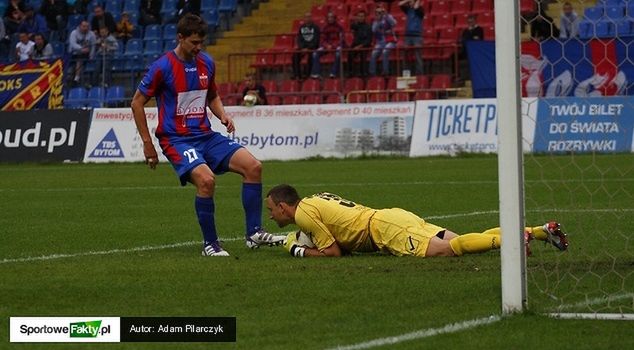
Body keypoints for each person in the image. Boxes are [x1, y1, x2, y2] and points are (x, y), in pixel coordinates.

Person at [130, 14, 285, 257]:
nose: (198, 47)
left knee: (253, 166)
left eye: (201, 42)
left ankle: (254, 233)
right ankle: (210, 245)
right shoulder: (162, 67)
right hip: (176, 139)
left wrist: (222, 115)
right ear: (180, 38)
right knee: (206, 180)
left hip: (205, 135)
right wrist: (148, 144)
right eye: (193, 43)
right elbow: (137, 103)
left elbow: (211, 95)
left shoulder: (206, 63)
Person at [266, 184, 569, 258]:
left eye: (271, 210)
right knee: (459, 239)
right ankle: (540, 231)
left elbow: (333, 253)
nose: (270, 215)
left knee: (451, 251)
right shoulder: (315, 199)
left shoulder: (304, 215)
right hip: (391, 216)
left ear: (283, 207)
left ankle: (513, 240)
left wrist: (297, 250)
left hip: (385, 230)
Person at [311, 11, 345, 78]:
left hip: (336, 46)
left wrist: (333, 46)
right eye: (329, 17)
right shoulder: (325, 27)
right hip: (326, 46)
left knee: (338, 54)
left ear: (334, 18)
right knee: (315, 53)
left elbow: (341, 39)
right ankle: (317, 73)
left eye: (332, 17)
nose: (330, 19)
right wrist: (327, 46)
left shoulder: (339, 27)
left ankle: (333, 73)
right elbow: (323, 39)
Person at [369, 5, 397, 76]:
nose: (379, 13)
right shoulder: (375, 21)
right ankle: (373, 74)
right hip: (380, 42)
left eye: (380, 12)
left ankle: (385, 72)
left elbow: (394, 23)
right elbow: (373, 30)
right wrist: (378, 21)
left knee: (385, 51)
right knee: (373, 54)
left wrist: (386, 14)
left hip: (390, 41)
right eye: (377, 12)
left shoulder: (388, 17)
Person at [291, 12, 320, 80]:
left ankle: (307, 75)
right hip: (303, 48)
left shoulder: (316, 27)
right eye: (306, 17)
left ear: (311, 18)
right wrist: (302, 48)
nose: (308, 19)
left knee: (311, 56)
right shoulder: (301, 28)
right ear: (304, 19)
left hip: (312, 48)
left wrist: (308, 48)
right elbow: (299, 39)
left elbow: (316, 40)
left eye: (309, 17)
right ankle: (297, 75)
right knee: (295, 55)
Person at [399, 0, 424, 75]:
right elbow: (400, 4)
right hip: (408, 35)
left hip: (417, 36)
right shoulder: (408, 10)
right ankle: (406, 73)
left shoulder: (420, 11)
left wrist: (416, 2)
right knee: (405, 55)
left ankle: (419, 74)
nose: (410, 3)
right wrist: (408, 0)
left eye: (411, 1)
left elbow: (416, 8)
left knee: (418, 55)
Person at [67, 20, 96, 86]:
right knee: (76, 60)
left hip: (85, 55)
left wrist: (91, 56)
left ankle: (77, 78)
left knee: (79, 59)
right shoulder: (74, 33)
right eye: (84, 26)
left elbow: (93, 46)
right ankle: (74, 78)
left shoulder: (91, 34)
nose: (85, 28)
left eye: (87, 26)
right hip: (73, 53)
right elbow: (73, 44)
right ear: (80, 26)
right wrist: (81, 49)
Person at [347, 10, 372, 77]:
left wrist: (360, 46)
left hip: (364, 45)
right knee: (350, 54)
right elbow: (351, 26)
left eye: (362, 16)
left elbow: (369, 40)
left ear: (364, 17)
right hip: (356, 44)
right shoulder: (355, 25)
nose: (360, 18)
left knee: (362, 54)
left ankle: (363, 74)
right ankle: (351, 73)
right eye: (359, 16)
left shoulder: (368, 27)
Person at [460, 15, 484, 81]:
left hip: (476, 50)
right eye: (469, 22)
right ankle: (460, 76)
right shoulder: (466, 31)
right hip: (466, 50)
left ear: (475, 21)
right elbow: (463, 39)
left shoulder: (479, 29)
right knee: (454, 56)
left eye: (472, 21)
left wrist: (470, 38)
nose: (470, 23)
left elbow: (477, 39)